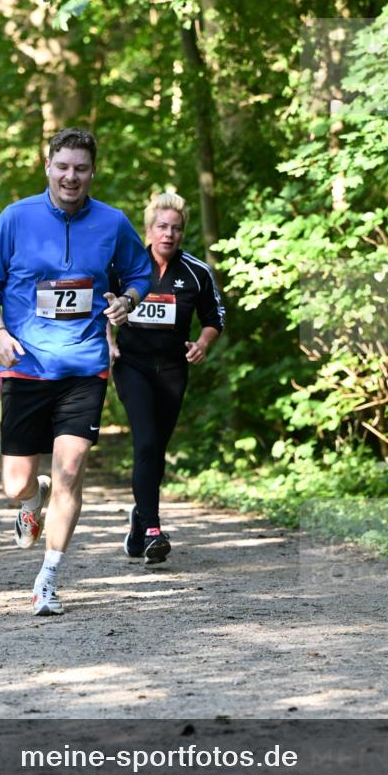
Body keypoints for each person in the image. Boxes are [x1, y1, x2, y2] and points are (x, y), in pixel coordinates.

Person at [0, 127, 151, 617]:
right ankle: (31, 505)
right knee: (14, 484)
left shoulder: (112, 223)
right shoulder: (16, 218)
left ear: (93, 172)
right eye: (63, 166)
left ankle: (48, 578)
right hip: (27, 366)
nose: (71, 176)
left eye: (81, 168)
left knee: (69, 472)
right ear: (47, 166)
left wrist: (126, 300)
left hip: (83, 366)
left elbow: (139, 273)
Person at [110, 191, 224, 563]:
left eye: (175, 228)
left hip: (173, 369)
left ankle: (139, 520)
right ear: (148, 229)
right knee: (145, 443)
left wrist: (203, 344)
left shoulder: (196, 272)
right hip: (133, 365)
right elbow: (99, 305)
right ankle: (154, 531)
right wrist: (109, 341)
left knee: (156, 450)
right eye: (162, 227)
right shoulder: (126, 267)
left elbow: (214, 319)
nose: (168, 235)